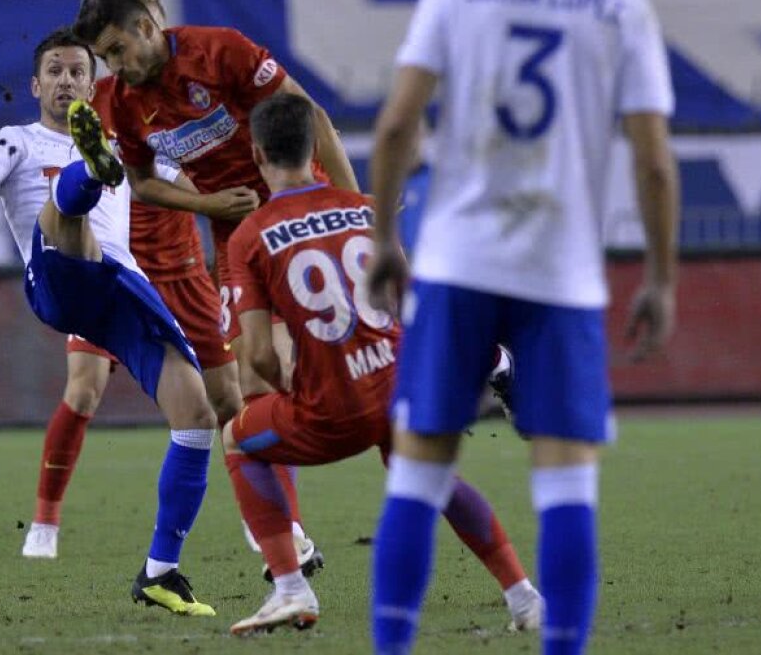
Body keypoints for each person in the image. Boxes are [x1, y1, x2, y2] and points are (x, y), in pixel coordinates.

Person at [366, 0, 679, 655]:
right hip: (561, 271)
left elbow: (398, 123)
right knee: (567, 480)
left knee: (419, 470)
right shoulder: (621, 4)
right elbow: (653, 163)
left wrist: (384, 238)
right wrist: (661, 277)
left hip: (459, 260)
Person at [23, 0, 321, 580]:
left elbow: (174, 167)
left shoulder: (148, 97)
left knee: (233, 400)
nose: (80, 77)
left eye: (85, 66)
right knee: (83, 388)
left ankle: (274, 526)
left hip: (181, 272)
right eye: (65, 70)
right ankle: (45, 522)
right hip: (117, 276)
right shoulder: (87, 116)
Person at [220, 93, 543, 636]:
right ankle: (524, 598)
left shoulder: (250, 236)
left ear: (256, 155)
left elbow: (254, 356)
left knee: (235, 437)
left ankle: (291, 587)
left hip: (331, 411)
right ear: (316, 148)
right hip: (399, 388)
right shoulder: (369, 210)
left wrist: (288, 386)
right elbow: (414, 305)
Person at [0, 27, 219, 617]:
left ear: (93, 86)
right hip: (58, 281)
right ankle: (86, 178)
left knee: (196, 413)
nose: (66, 80)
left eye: (77, 73)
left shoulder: (126, 143)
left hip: (121, 289)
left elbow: (190, 187)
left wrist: (241, 193)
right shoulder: (14, 141)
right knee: (66, 223)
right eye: (56, 72)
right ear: (36, 84)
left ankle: (160, 571)